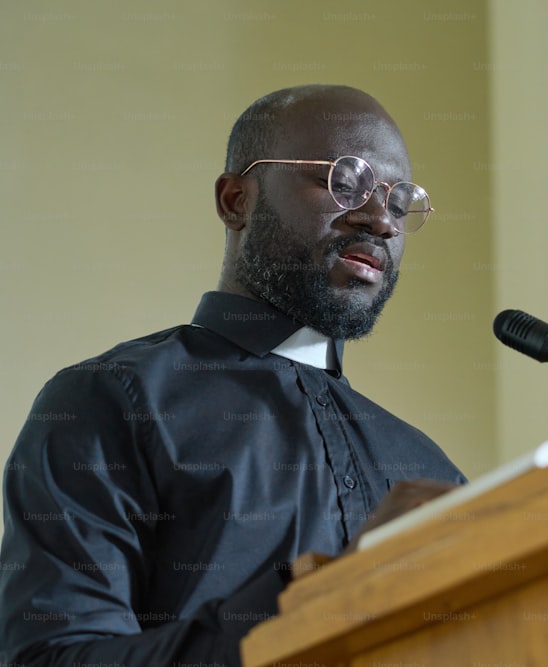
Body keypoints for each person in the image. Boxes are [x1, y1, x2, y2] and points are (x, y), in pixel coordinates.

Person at [0, 85, 465, 666]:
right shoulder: (109, 401)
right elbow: (54, 657)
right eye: (345, 181)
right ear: (236, 199)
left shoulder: (428, 467)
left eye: (400, 204)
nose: (382, 221)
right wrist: (325, 594)